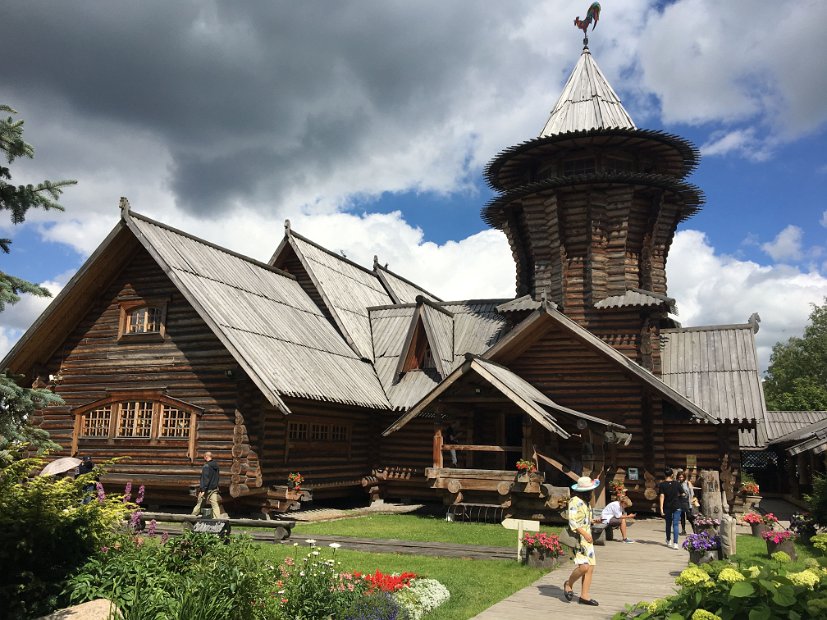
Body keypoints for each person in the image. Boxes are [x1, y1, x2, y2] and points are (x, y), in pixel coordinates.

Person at [562, 476, 600, 606]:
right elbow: (572, 521)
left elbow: (583, 519)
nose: (592, 492)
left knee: (590, 568)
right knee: (583, 567)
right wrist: (584, 533)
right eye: (590, 490)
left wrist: (594, 521)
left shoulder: (585, 502)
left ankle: (584, 596)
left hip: (587, 539)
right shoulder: (574, 501)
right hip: (578, 538)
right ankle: (568, 584)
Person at [658, 468, 684, 549]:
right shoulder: (677, 484)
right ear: (672, 475)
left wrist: (661, 509)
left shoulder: (662, 485)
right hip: (677, 506)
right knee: (676, 525)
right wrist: (677, 496)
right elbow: (683, 494)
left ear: (664, 475)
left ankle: (668, 540)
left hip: (667, 506)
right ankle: (675, 543)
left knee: (668, 524)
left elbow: (662, 496)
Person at [191, 451, 222, 518]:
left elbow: (205, 479)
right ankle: (218, 521)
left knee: (199, 504)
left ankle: (191, 518)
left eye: (204, 457)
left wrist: (203, 490)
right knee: (215, 505)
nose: (204, 459)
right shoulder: (216, 465)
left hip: (206, 489)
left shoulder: (206, 466)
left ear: (206, 456)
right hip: (213, 489)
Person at [677, 470, 695, 535]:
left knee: (689, 516)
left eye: (682, 477)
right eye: (679, 477)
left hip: (687, 501)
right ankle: (683, 530)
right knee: (682, 516)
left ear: (684, 477)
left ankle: (694, 529)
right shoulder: (678, 483)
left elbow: (691, 493)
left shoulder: (688, 483)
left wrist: (691, 501)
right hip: (680, 500)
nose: (681, 478)